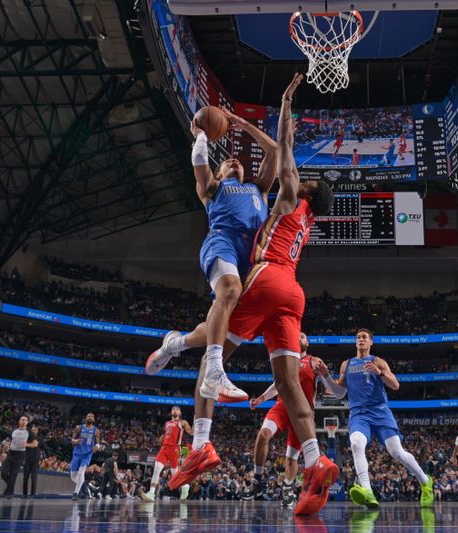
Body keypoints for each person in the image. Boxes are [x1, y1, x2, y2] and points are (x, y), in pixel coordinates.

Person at [168, 73, 338, 517]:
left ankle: (201, 444)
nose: (302, 178)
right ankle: (315, 460)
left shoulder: (287, 198)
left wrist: (284, 107)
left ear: (309, 191)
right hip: (294, 295)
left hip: (266, 278)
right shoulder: (303, 219)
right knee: (288, 386)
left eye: (306, 179)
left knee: (212, 348)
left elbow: (282, 152)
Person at [145, 107, 278, 405]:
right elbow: (199, 160)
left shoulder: (259, 189)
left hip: (249, 259)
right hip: (221, 243)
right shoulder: (213, 188)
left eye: (239, 162)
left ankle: (175, 344)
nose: (234, 161)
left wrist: (245, 125)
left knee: (223, 327)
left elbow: (274, 150)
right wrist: (201, 135)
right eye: (227, 162)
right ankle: (215, 371)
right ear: (219, 173)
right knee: (229, 290)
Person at [324, 328, 434, 510]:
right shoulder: (347, 364)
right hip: (359, 413)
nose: (360, 340)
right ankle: (367, 490)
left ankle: (425, 481)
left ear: (371, 342)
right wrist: (325, 377)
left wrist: (380, 373)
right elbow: (339, 393)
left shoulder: (377, 361)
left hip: (380, 412)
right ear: (355, 342)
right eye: (358, 337)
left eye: (364, 337)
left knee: (396, 452)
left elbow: (396, 385)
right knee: (356, 444)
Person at [249, 332, 326, 508]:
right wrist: (261, 398)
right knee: (263, 435)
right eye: (297, 335)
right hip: (283, 406)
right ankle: (257, 479)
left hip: (302, 413)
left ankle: (288, 488)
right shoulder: (286, 360)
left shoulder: (314, 361)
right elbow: (279, 384)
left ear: (308, 342)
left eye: (303, 336)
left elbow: (328, 383)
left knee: (291, 459)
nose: (299, 338)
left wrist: (325, 376)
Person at [144, 406, 194, 501]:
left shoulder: (182, 422)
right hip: (164, 448)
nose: (175, 410)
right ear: (171, 412)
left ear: (180, 413)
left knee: (175, 475)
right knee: (156, 469)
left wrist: (196, 422)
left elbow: (191, 433)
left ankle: (184, 486)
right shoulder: (167, 423)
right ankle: (151, 493)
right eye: (173, 409)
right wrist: (161, 439)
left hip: (174, 449)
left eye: (177, 409)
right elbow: (166, 435)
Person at [2, 416, 36, 498]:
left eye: (26, 420)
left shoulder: (29, 432)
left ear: (27, 422)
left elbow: (35, 444)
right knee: (3, 473)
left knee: (13, 475)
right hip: (11, 453)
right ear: (19, 421)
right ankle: (9, 489)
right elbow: (11, 441)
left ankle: (9, 493)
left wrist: (26, 444)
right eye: (22, 419)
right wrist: (7, 445)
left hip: (20, 454)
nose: (24, 421)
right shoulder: (14, 431)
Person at [70, 413, 100, 500]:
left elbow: (98, 442)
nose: (90, 417)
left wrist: (96, 447)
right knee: (73, 476)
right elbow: (72, 440)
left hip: (87, 454)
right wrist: (76, 441)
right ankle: (87, 485)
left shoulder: (96, 430)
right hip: (77, 453)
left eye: (92, 416)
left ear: (94, 420)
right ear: (85, 418)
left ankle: (75, 493)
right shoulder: (79, 428)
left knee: (81, 472)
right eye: (88, 416)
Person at [22, 424, 46, 498]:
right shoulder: (27, 438)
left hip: (35, 460)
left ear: (37, 431)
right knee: (25, 477)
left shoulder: (40, 439)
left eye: (35, 430)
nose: (34, 431)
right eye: (32, 430)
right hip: (27, 459)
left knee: (33, 477)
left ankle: (33, 494)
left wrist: (45, 458)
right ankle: (24, 494)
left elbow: (45, 448)